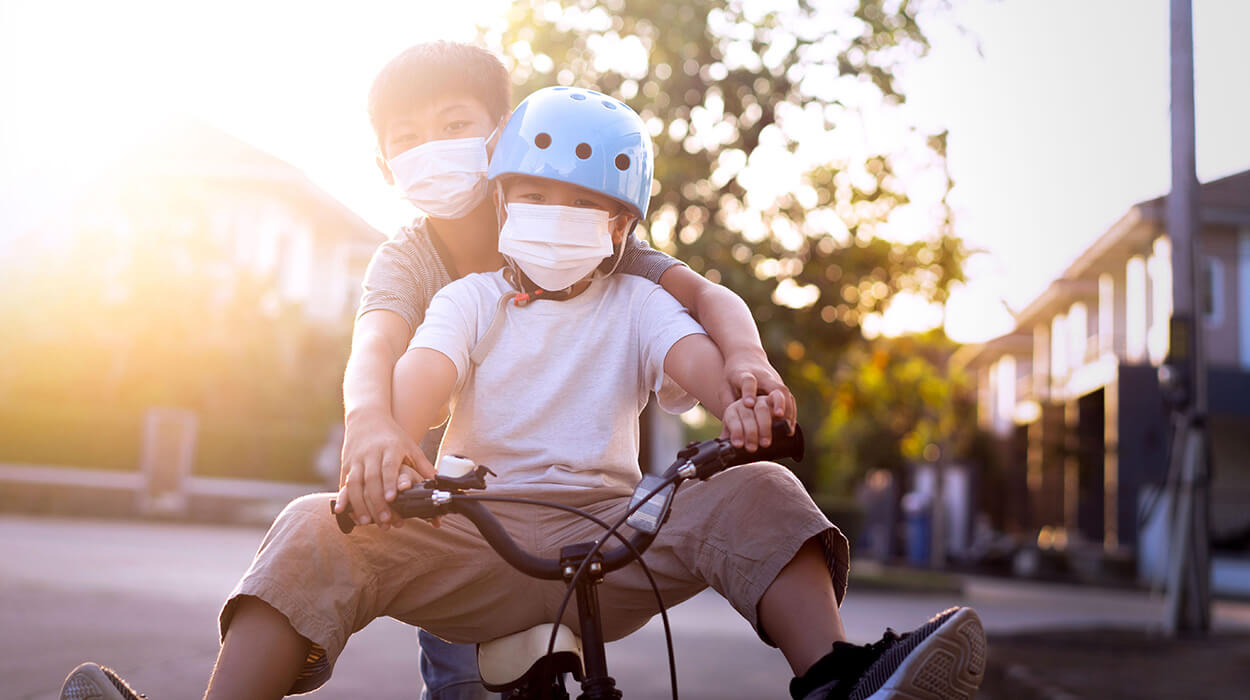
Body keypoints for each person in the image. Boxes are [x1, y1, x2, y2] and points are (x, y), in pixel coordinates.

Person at [341, 41, 794, 700]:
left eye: (454, 125)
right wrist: (372, 425)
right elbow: (373, 346)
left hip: (582, 511)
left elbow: (702, 300)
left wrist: (747, 364)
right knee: (459, 673)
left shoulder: (584, 234)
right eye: (407, 138)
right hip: (478, 501)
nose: (432, 148)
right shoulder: (411, 261)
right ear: (385, 166)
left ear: (503, 135)